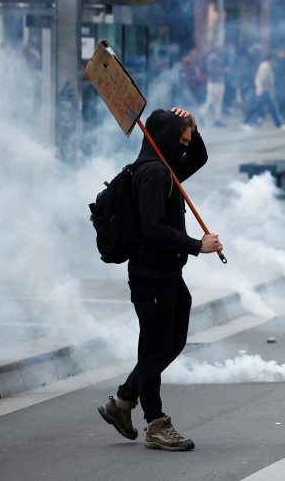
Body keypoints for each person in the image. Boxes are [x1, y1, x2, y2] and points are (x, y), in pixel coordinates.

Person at [98, 107, 222, 451]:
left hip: (167, 273)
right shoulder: (153, 173)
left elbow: (199, 157)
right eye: (180, 139)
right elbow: (154, 230)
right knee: (153, 349)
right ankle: (155, 424)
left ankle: (123, 400)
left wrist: (192, 126)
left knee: (172, 341)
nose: (183, 146)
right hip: (151, 275)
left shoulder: (164, 167)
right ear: (165, 139)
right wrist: (197, 245)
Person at [242, 54, 285, 129]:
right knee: (256, 107)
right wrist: (259, 91)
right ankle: (247, 122)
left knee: (273, 108)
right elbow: (259, 80)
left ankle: (279, 124)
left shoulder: (268, 66)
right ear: (272, 61)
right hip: (263, 91)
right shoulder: (265, 67)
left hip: (267, 91)